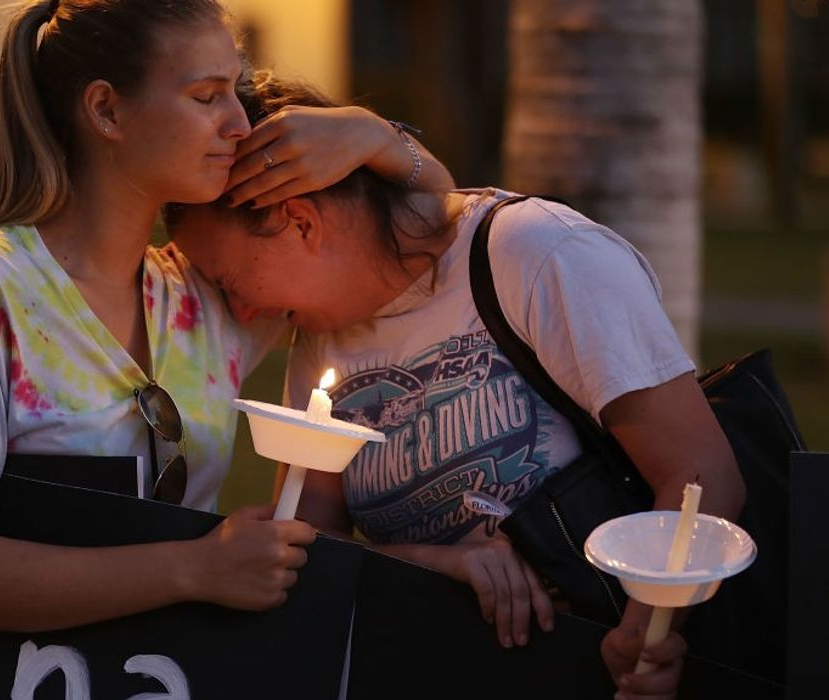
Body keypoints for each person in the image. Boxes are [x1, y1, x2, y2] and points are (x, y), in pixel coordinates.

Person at [0, 0, 454, 634]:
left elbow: (426, 229)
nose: (238, 123)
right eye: (207, 98)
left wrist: (375, 137)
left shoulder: (201, 300)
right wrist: (198, 568)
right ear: (106, 110)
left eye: (234, 91)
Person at [167, 73, 745, 700]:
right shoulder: (321, 335)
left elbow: (700, 471)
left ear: (299, 222)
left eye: (227, 281)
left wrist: (643, 637)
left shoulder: (538, 254)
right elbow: (307, 542)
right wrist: (437, 564)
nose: (242, 313)